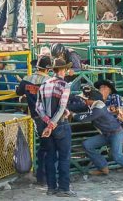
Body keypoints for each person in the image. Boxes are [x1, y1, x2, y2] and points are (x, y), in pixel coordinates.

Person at [70, 85, 123, 181]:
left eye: (84, 99)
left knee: (117, 156)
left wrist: (72, 114)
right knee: (87, 144)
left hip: (116, 134)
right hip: (107, 134)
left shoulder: (98, 108)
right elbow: (77, 106)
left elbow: (84, 119)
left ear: (90, 99)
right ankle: (103, 168)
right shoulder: (93, 104)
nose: (83, 101)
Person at [36, 59, 76, 197]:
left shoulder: (44, 84)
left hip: (46, 125)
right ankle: (64, 188)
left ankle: (51, 187)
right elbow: (61, 108)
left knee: (50, 157)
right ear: (63, 70)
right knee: (64, 157)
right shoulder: (65, 85)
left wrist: (47, 122)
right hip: (60, 125)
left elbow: (38, 107)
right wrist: (53, 123)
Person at [16, 55, 51, 185]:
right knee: (51, 147)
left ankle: (42, 177)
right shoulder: (50, 80)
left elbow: (19, 92)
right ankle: (49, 177)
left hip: (37, 117)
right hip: (51, 118)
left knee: (43, 147)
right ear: (48, 69)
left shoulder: (26, 80)